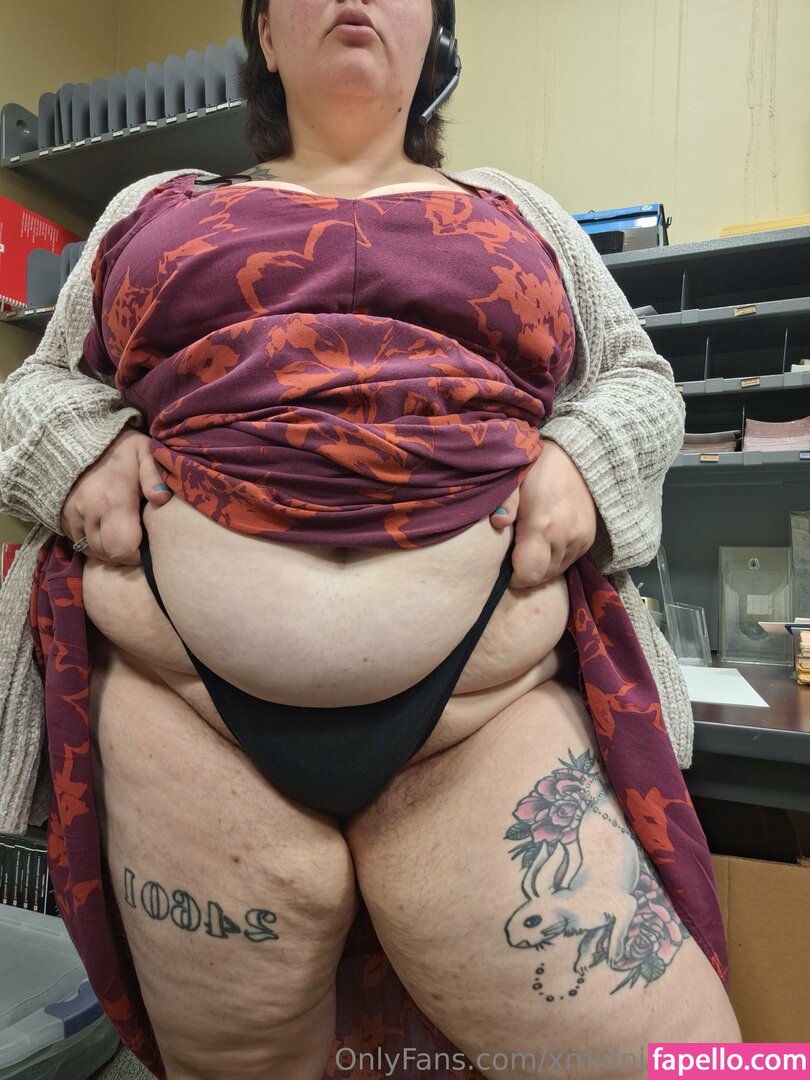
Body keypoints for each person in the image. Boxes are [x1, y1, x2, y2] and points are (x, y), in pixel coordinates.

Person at [0, 1, 740, 1076]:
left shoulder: (517, 210)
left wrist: (586, 461)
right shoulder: (154, 207)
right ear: (263, 33)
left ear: (435, 34)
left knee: (699, 1063)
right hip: (183, 713)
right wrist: (78, 450)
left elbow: (640, 380)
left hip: (486, 714)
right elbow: (33, 388)